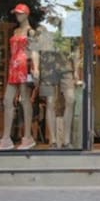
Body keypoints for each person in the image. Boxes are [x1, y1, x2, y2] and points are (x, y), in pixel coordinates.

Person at [31, 18, 78, 148]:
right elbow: (34, 49)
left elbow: (75, 49)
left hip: (66, 69)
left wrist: (76, 70)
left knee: (71, 99)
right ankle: (52, 140)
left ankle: (67, 140)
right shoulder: (41, 28)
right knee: (50, 102)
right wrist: (36, 67)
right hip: (47, 71)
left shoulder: (70, 26)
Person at [0, 3, 37, 150]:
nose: (17, 16)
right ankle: (6, 138)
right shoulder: (15, 31)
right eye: (16, 13)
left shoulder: (30, 32)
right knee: (8, 100)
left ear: (26, 14)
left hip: (24, 66)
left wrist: (36, 68)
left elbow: (34, 51)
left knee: (25, 100)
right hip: (13, 67)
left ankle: (27, 137)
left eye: (20, 13)